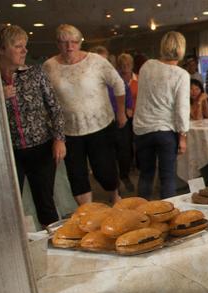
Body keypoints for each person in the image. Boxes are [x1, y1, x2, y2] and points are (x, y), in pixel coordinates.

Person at [43, 24, 125, 205]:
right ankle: (87, 211)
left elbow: (118, 84)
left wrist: (121, 112)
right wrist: (55, 132)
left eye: (74, 42)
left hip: (100, 125)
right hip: (69, 130)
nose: (69, 46)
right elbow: (47, 99)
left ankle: (115, 197)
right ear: (57, 44)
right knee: (77, 175)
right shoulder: (49, 66)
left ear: (80, 42)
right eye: (64, 42)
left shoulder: (95, 61)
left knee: (105, 170)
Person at [0, 24, 66, 227]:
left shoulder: (35, 73)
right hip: (8, 153)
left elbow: (55, 107)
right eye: (18, 46)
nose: (24, 51)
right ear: (1, 49)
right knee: (10, 205)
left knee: (45, 203)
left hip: (41, 148)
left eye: (25, 46)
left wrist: (59, 139)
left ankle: (54, 242)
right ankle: (17, 243)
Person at [132, 31, 190, 200]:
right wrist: (183, 136)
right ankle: (168, 213)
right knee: (167, 178)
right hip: (165, 130)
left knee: (145, 175)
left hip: (142, 129)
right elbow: (181, 108)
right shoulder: (181, 75)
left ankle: (141, 212)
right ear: (181, 48)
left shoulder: (147, 66)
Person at [93, 47, 135, 193]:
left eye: (104, 60)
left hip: (119, 118)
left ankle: (124, 176)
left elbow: (126, 91)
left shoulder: (114, 75)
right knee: (107, 154)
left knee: (124, 151)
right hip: (100, 121)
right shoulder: (90, 78)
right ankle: (114, 186)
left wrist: (127, 107)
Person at [116, 53, 138, 192]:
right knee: (124, 146)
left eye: (128, 64)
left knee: (135, 144)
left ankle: (133, 168)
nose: (125, 67)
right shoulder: (115, 79)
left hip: (137, 116)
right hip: (121, 117)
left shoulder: (138, 79)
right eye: (122, 65)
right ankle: (123, 175)